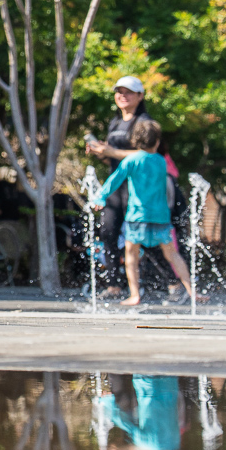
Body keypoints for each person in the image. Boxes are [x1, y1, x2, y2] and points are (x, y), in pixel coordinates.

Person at [98, 117, 194, 307]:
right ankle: (192, 291)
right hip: (160, 218)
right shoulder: (160, 161)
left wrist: (100, 197)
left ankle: (135, 295)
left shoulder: (131, 160)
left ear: (134, 141)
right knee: (173, 255)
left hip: (137, 217)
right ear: (157, 142)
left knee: (131, 256)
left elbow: (115, 180)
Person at [84, 74, 154, 296]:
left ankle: (171, 283)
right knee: (108, 231)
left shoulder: (145, 122)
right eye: (119, 91)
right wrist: (100, 153)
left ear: (140, 96)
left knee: (146, 234)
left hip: (137, 187)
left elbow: (147, 155)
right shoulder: (115, 122)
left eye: (128, 92)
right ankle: (114, 284)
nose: (122, 95)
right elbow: (113, 160)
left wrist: (111, 151)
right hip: (116, 185)